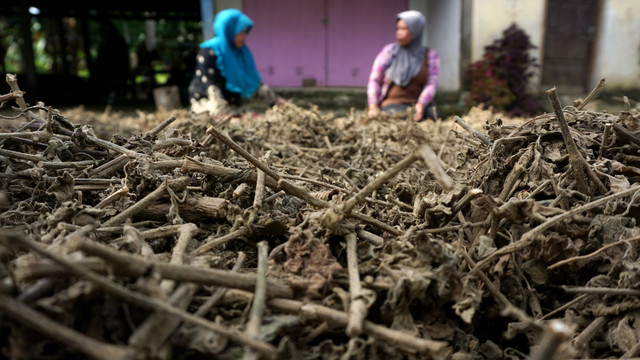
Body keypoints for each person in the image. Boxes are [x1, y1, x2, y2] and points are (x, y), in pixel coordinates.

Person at [188, 9, 283, 115]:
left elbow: (254, 83)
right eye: (241, 32)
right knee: (235, 123)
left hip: (234, 105)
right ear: (229, 30)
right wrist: (222, 113)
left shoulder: (242, 53)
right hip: (209, 104)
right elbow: (212, 88)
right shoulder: (209, 52)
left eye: (245, 33)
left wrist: (276, 102)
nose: (244, 37)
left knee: (254, 117)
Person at [367, 10, 441, 121]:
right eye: (398, 28)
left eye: (404, 29)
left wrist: (421, 104)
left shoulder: (430, 55)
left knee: (434, 116)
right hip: (393, 103)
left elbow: (432, 83)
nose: (399, 32)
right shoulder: (389, 52)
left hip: (419, 103)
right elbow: (374, 79)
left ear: (416, 30)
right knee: (400, 118)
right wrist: (373, 106)